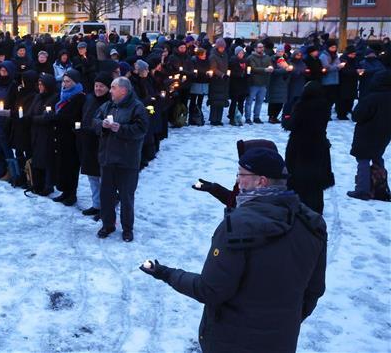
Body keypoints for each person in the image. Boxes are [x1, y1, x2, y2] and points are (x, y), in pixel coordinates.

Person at [140, 148, 327, 353]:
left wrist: (165, 273)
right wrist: (282, 323)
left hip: (231, 341)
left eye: (241, 174)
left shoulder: (237, 226)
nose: (237, 180)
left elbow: (210, 290)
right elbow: (314, 290)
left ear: (261, 181)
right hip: (281, 341)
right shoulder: (312, 223)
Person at [93, 77, 149, 241]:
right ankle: (107, 224)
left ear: (123, 90)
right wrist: (101, 125)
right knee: (106, 195)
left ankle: (127, 228)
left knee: (126, 197)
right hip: (108, 159)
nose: (110, 90)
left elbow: (142, 129)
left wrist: (121, 129)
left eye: (113, 87)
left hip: (127, 161)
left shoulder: (137, 107)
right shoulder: (108, 105)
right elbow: (94, 121)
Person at [282, 82, 334, 214]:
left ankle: (299, 207)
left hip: (300, 146)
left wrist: (287, 115)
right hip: (319, 144)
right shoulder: (325, 106)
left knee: (299, 177)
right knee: (316, 180)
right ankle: (316, 208)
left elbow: (290, 124)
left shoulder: (301, 106)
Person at [348, 70, 391, 200]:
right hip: (385, 133)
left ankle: (362, 190)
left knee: (363, 159)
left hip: (367, 132)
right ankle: (380, 188)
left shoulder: (371, 97)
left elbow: (357, 115)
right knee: (378, 157)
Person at [77, 73, 112, 217]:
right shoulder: (89, 98)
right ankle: (96, 204)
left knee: (104, 178)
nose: (98, 89)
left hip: (103, 143)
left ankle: (106, 207)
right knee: (92, 176)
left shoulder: (110, 103)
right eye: (96, 85)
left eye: (101, 86)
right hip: (87, 141)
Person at [50, 69, 85, 205]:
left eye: (68, 81)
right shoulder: (63, 94)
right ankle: (65, 191)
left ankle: (72, 194)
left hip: (71, 136)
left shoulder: (79, 97)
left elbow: (74, 116)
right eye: (64, 81)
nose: (65, 84)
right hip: (61, 135)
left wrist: (57, 117)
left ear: (75, 82)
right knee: (63, 165)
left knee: (71, 166)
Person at [244, 43, 272, 124]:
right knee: (249, 101)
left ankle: (256, 117)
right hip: (253, 82)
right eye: (259, 47)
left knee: (259, 102)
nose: (261, 49)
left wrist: (271, 68)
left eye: (262, 47)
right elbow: (253, 68)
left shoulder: (267, 57)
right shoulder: (251, 58)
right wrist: (265, 70)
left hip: (263, 83)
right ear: (255, 48)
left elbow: (270, 65)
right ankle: (248, 118)